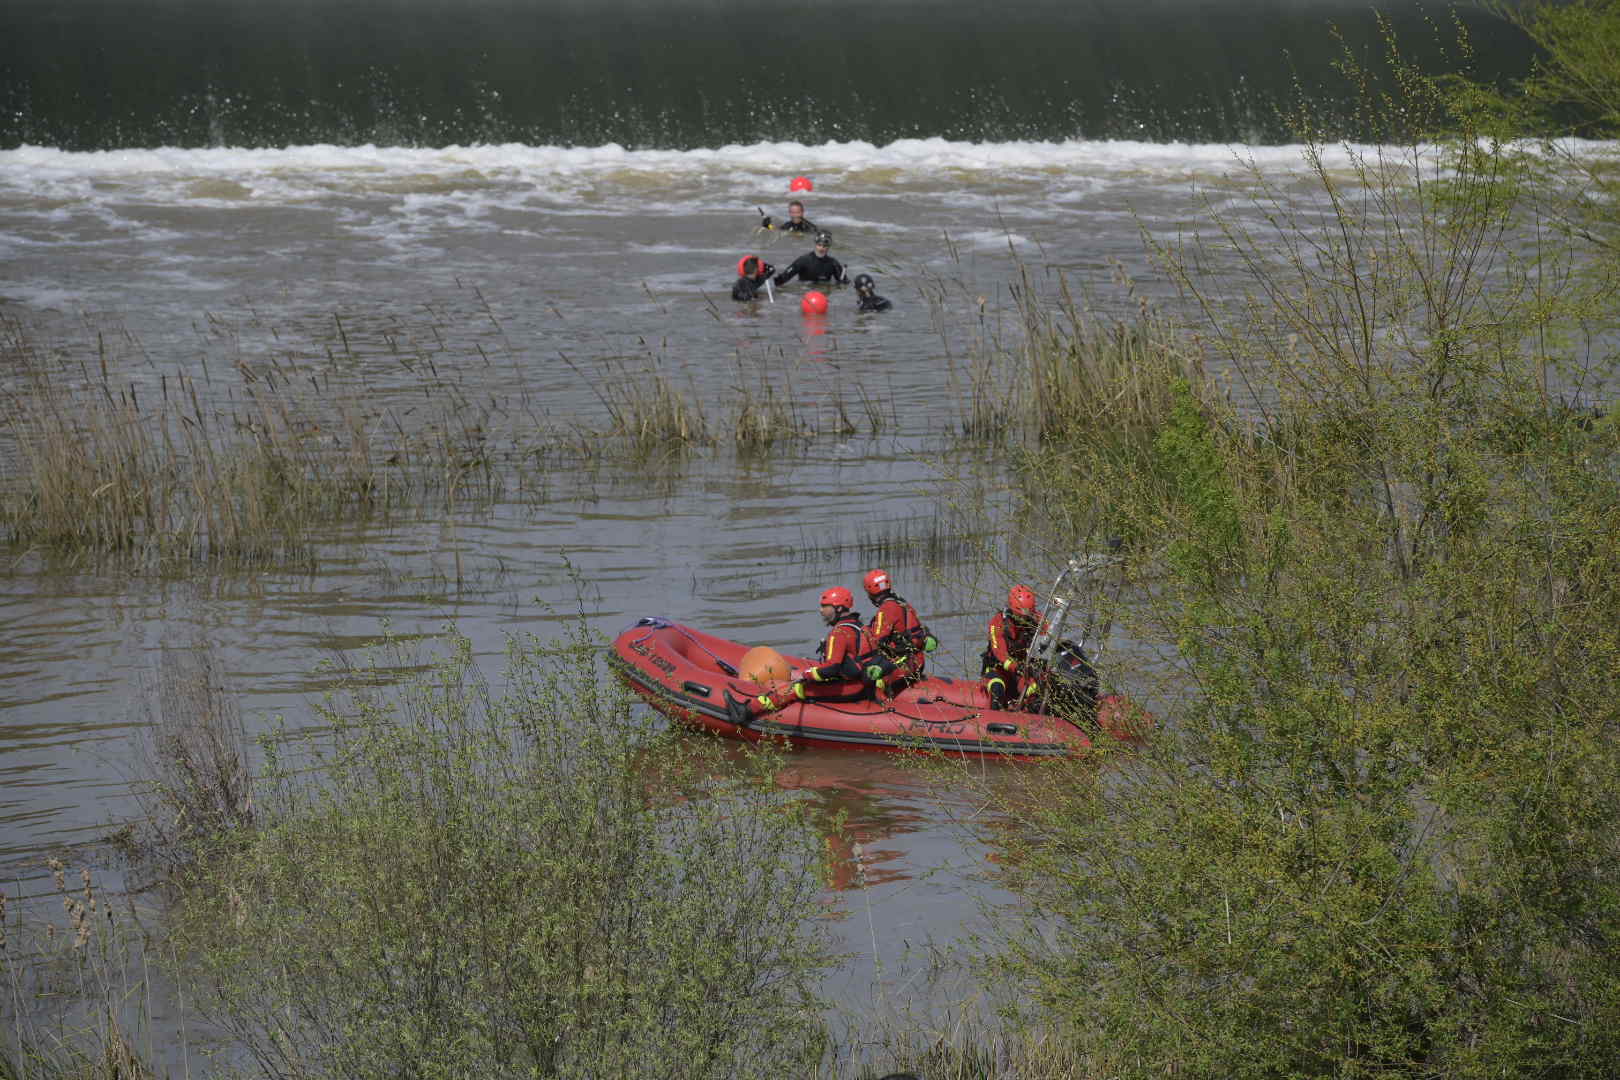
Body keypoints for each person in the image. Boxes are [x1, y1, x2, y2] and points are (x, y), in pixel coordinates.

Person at [725, 587, 875, 724]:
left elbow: (832, 669)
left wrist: (808, 674)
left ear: (839, 608)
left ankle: (746, 711)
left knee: (794, 688)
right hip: (862, 685)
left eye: (825, 606)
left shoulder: (839, 633)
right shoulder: (860, 627)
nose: (821, 611)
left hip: (851, 688)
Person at [859, 569, 935, 697]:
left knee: (868, 678)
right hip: (918, 662)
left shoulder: (886, 609)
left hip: (902, 667)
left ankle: (880, 706)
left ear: (870, 592)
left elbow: (876, 642)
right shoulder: (903, 603)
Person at [981, 584, 1042, 711]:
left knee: (1036, 692)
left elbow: (1049, 640)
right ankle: (992, 719)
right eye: (1021, 617)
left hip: (1024, 673)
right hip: (999, 671)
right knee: (997, 687)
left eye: (1028, 616)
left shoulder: (1038, 620)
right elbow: (1000, 654)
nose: (1025, 620)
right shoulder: (998, 623)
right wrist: (1017, 666)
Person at [774, 231, 848, 287]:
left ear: (829, 247)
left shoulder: (833, 263)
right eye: (819, 245)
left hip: (823, 294)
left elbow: (844, 283)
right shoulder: (804, 260)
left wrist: (842, 284)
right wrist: (778, 280)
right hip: (805, 291)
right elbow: (784, 277)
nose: (821, 248)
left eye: (825, 246)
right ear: (815, 244)